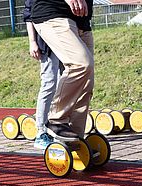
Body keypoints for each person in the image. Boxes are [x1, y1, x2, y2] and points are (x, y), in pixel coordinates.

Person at [31, 0, 94, 141]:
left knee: (86, 83)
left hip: (82, 21)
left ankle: (75, 140)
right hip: (53, 13)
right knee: (81, 64)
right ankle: (56, 119)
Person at [23, 0, 60, 150]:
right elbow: (28, 14)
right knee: (49, 83)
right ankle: (41, 131)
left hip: (64, 39)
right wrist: (32, 41)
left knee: (65, 83)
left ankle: (60, 125)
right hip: (46, 43)